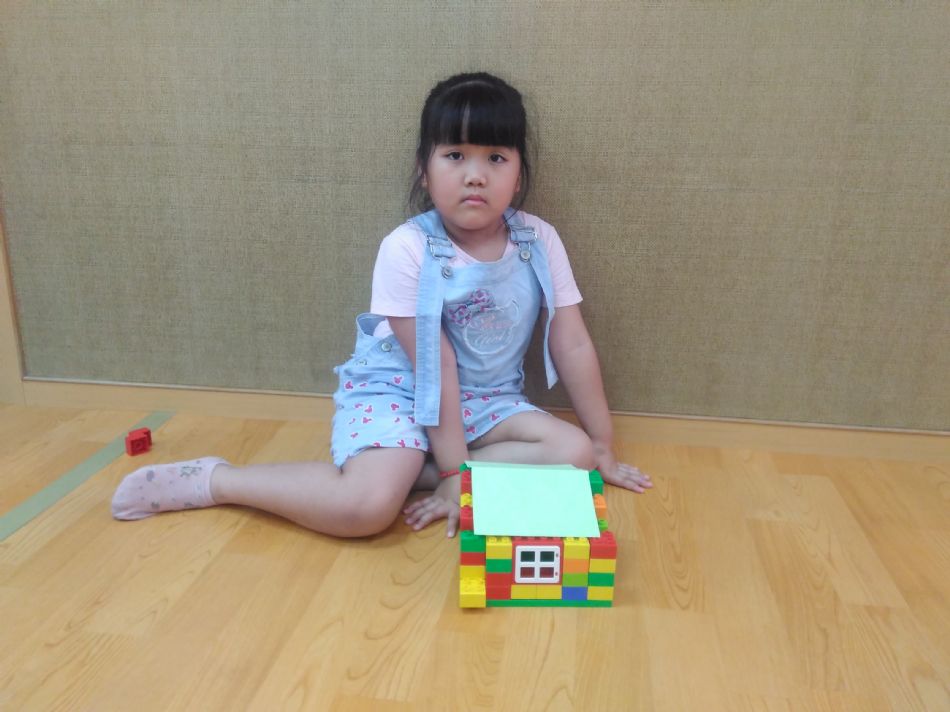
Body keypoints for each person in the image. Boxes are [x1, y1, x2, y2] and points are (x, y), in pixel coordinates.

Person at [111, 71, 652, 538]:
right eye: (455, 156)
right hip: (401, 390)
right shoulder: (407, 248)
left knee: (575, 456)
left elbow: (571, 342)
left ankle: (413, 469)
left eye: (495, 157)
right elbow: (434, 368)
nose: (475, 174)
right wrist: (456, 478)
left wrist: (602, 444)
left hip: (487, 401)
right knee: (365, 510)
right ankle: (218, 480)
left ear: (518, 173)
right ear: (424, 169)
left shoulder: (538, 239)